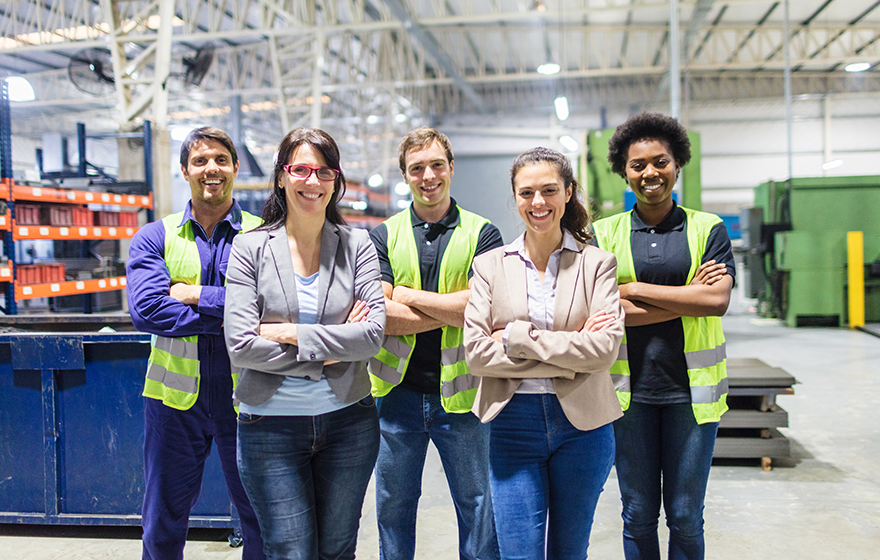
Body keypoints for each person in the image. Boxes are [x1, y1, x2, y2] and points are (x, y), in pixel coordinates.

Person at [223, 127, 386, 560]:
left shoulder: (358, 246)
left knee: (337, 549)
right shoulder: (250, 248)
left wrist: (290, 334)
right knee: (290, 550)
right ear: (281, 177)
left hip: (348, 423)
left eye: (324, 171)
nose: (312, 182)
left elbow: (371, 336)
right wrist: (333, 348)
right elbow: (240, 346)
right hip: (269, 428)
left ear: (335, 181)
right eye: (300, 170)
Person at [463, 147, 625, 559]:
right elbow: (477, 354)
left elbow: (604, 350)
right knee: (520, 553)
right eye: (527, 193)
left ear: (568, 192)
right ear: (515, 197)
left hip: (584, 428)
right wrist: (572, 350)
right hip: (512, 422)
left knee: (570, 552)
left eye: (549, 190)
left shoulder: (598, 265)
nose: (538, 203)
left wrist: (518, 337)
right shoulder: (489, 266)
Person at [592, 112, 735, 560]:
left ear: (677, 164)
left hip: (692, 395)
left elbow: (716, 302)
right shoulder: (604, 233)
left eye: (660, 162)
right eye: (638, 165)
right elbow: (599, 312)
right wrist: (686, 294)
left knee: (687, 514)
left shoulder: (706, 227)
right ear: (624, 171)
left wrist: (632, 289)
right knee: (636, 512)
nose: (650, 173)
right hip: (626, 394)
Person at [127, 126, 265, 560]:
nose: (212, 168)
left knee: (261, 518)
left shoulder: (264, 235)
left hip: (249, 398)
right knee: (163, 521)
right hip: (174, 402)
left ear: (235, 169)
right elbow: (146, 311)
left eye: (221, 160)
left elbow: (276, 310)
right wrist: (234, 312)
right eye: (201, 160)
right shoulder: (155, 236)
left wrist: (194, 294)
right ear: (184, 169)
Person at [368, 127, 503, 560]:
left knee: (478, 505)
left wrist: (404, 295)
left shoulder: (484, 234)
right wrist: (452, 307)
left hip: (463, 398)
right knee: (393, 506)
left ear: (451, 169)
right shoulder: (383, 235)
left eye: (436, 165)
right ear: (405, 176)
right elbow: (380, 317)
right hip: (395, 396)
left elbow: (481, 310)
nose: (428, 175)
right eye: (416, 168)